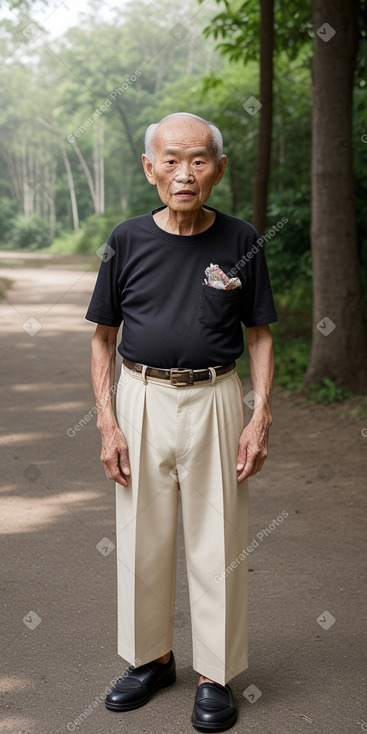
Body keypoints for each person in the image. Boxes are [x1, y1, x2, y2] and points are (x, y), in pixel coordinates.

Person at [86, 112, 277, 732]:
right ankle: (151, 660)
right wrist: (108, 424)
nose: (184, 173)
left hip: (216, 398)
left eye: (198, 160)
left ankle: (215, 674)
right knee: (145, 536)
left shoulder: (242, 239)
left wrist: (260, 416)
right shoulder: (127, 239)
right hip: (140, 396)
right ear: (150, 169)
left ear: (219, 170)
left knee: (217, 538)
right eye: (170, 160)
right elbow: (103, 337)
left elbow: (260, 335)